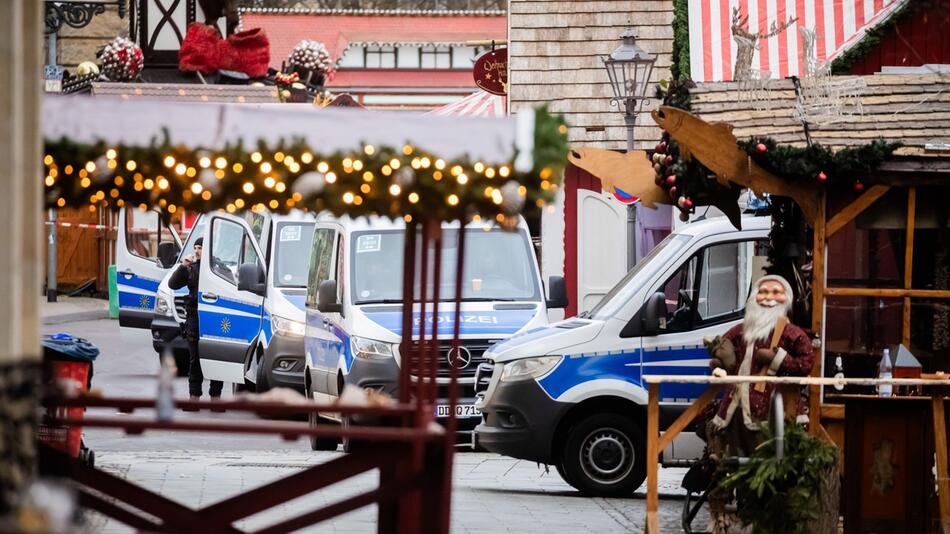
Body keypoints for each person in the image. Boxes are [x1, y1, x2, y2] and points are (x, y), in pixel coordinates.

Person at [707, 274, 815, 451]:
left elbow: (806, 363)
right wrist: (720, 361)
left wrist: (777, 359)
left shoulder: (791, 333)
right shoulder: (741, 331)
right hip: (737, 405)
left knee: (768, 454)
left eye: (775, 292)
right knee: (735, 454)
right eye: (763, 292)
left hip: (774, 409)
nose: (768, 298)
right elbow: (722, 345)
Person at [168, 238, 223, 410]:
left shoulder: (218, 269)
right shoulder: (190, 268)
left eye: (201, 248)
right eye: (196, 248)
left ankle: (216, 398)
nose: (197, 251)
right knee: (195, 359)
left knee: (215, 356)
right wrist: (182, 266)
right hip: (194, 316)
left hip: (213, 316)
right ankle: (194, 397)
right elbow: (173, 284)